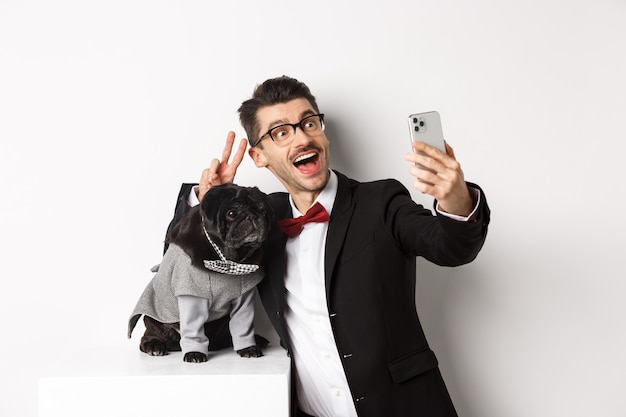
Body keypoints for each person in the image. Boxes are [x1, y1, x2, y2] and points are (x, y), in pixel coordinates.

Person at [166, 76, 490, 417]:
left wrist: (456, 199)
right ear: (259, 156)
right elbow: (184, 266)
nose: (302, 137)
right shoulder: (262, 218)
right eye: (281, 132)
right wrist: (208, 204)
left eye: (308, 123)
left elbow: (452, 248)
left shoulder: (380, 201)